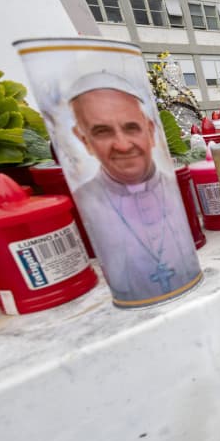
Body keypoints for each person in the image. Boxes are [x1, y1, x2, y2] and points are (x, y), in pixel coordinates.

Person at [69, 71, 202, 306]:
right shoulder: (83, 200)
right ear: (84, 140)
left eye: (131, 128)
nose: (122, 145)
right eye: (103, 132)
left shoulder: (176, 187)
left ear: (150, 131)